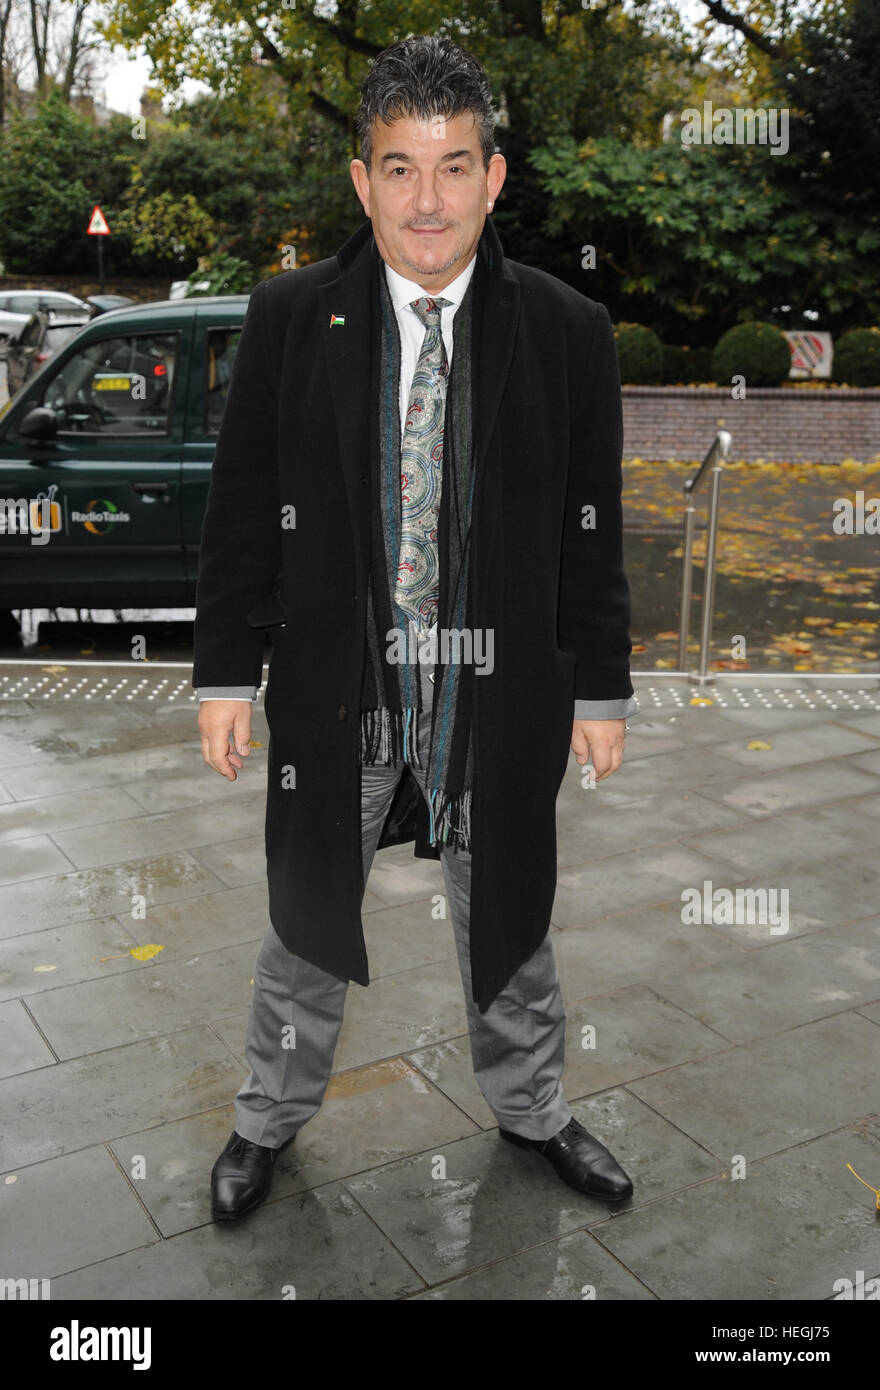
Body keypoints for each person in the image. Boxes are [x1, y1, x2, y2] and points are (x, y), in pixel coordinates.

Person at [194, 35, 639, 1223]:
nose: (427, 200)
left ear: (494, 178)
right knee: (304, 915)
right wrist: (225, 673)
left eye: (454, 167)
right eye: (399, 168)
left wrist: (601, 690)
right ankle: (263, 1121)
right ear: (361, 182)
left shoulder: (564, 329)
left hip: (499, 693)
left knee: (513, 915)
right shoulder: (294, 318)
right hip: (346, 687)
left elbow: (588, 533)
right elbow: (243, 510)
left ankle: (535, 1108)